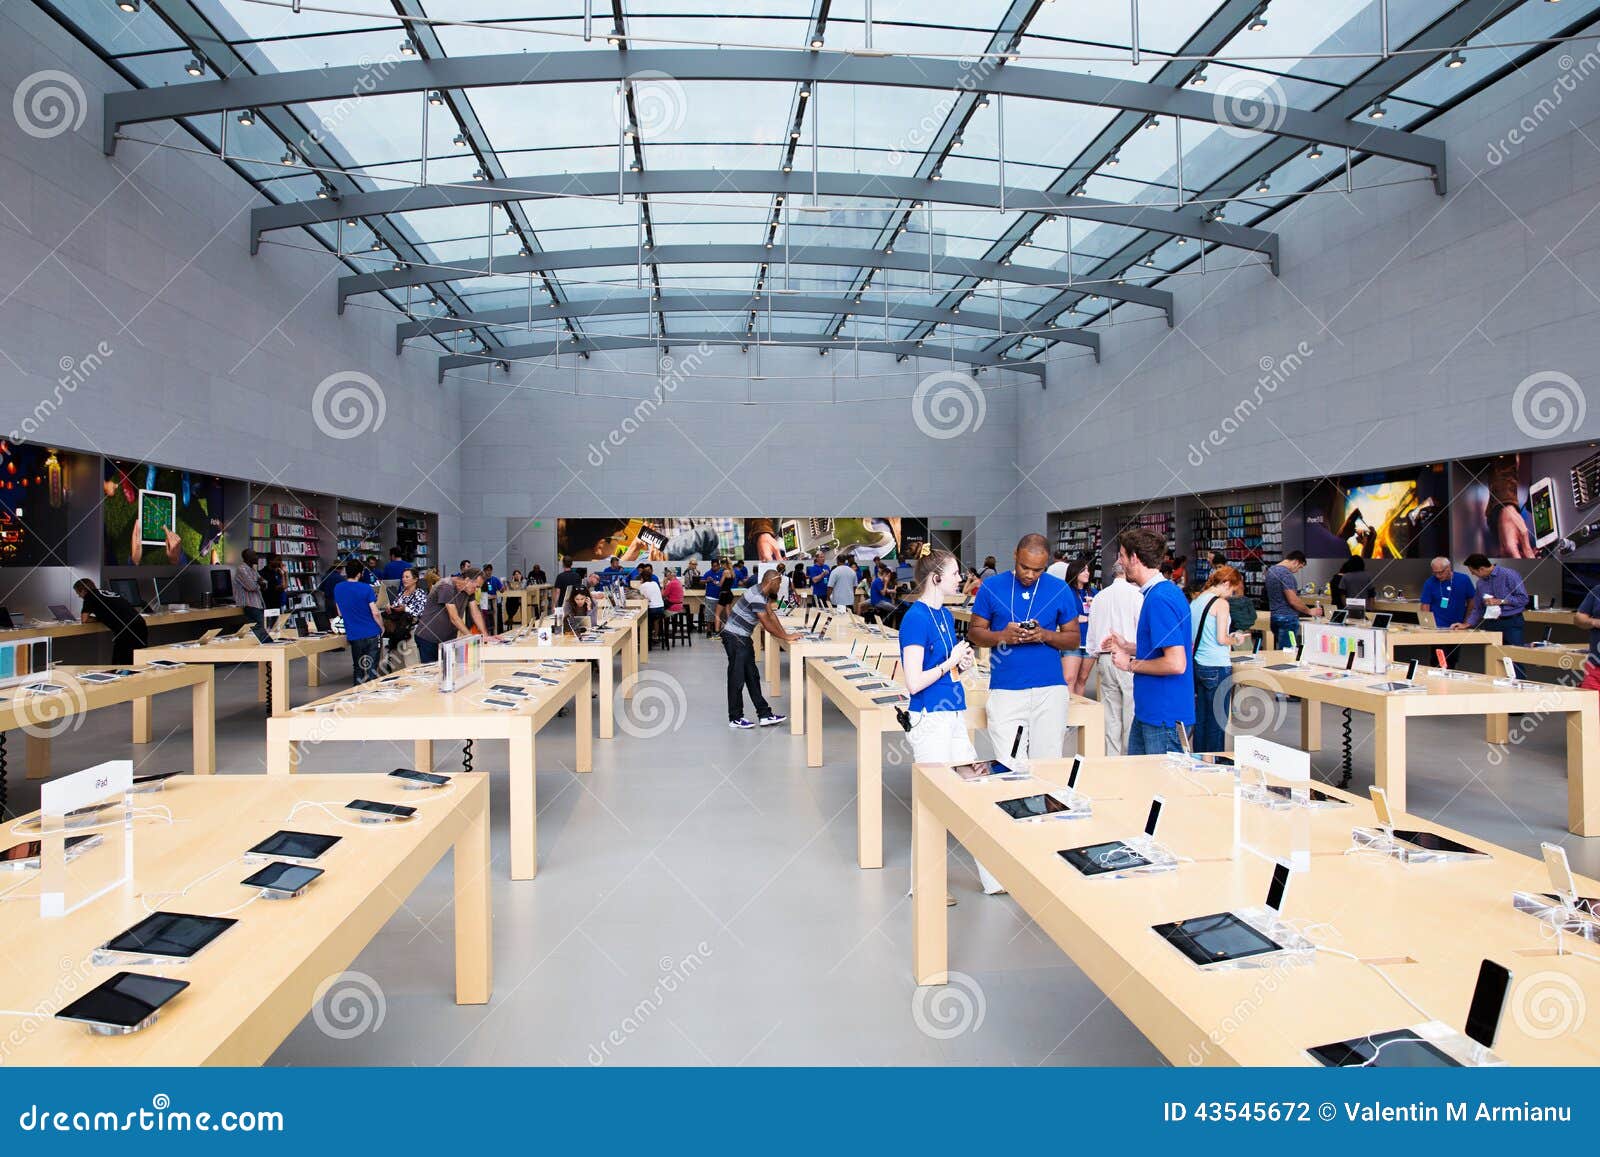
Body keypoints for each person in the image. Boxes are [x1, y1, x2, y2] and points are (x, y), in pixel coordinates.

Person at [898, 549, 977, 908]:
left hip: (953, 712)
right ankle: (924, 883)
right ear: (936, 578)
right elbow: (914, 682)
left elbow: (947, 670)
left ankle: (991, 877)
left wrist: (961, 663)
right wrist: (948, 663)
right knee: (932, 802)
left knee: (973, 789)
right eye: (955, 573)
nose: (960, 578)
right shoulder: (915, 619)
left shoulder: (944, 614)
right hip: (930, 717)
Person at [967, 534, 1080, 774]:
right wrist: (1002, 637)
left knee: (1048, 766)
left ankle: (1044, 811)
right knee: (1009, 766)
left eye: (1037, 570)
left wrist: (1045, 635)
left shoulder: (1059, 589)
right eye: (1024, 567)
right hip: (1006, 690)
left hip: (1050, 691)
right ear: (1015, 556)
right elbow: (975, 632)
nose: (1030, 575)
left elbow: (1073, 638)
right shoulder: (992, 586)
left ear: (1047, 564)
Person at [1106, 528, 1195, 756]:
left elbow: (1176, 663)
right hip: (1153, 711)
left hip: (1163, 715)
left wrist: (1130, 663)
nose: (1120, 562)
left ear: (1135, 558)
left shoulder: (1159, 599)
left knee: (1161, 786)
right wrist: (1129, 646)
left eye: (1122, 556)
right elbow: (1165, 648)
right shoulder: (1163, 593)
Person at [720, 570, 796, 729]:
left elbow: (772, 615)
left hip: (742, 638)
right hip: (735, 637)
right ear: (772, 581)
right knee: (737, 678)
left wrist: (786, 635)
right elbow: (766, 624)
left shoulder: (762, 592)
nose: (780, 586)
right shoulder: (756, 596)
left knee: (752, 677)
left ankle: (765, 714)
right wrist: (785, 637)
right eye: (779, 583)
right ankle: (735, 718)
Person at [1189, 566, 1251, 754]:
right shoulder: (1221, 604)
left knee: (1201, 717)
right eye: (1232, 590)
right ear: (1225, 583)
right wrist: (1236, 639)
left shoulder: (1197, 601)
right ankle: (1216, 760)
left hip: (1199, 664)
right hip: (1217, 665)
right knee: (1217, 720)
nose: (1231, 595)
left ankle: (1200, 759)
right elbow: (1221, 639)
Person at [1085, 559, 1144, 756]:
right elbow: (1142, 629)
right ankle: (1129, 755)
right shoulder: (1137, 595)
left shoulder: (1100, 596)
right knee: (1130, 708)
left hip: (1104, 657)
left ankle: (1112, 755)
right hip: (1129, 657)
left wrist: (1095, 653)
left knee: (1110, 711)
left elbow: (1092, 633)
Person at [1456, 554, 1529, 651]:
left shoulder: (1508, 574)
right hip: (1491, 623)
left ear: (1481, 569)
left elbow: (1523, 599)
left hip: (1511, 622)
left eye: (1473, 572)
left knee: (1515, 656)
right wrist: (1467, 624)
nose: (1473, 574)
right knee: (1494, 656)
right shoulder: (1480, 583)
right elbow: (1478, 608)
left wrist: (1501, 601)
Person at [415, 565, 485, 664]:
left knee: (447, 672)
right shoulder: (446, 586)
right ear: (468, 580)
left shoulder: (469, 590)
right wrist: (472, 638)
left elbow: (476, 613)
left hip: (446, 640)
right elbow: (454, 618)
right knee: (432, 672)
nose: (477, 590)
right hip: (428, 638)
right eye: (476, 586)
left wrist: (485, 635)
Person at [73, 578, 148, 665]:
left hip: (126, 629)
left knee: (122, 662)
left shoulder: (90, 596)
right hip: (140, 624)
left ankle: (122, 677)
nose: (79, 596)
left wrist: (100, 618)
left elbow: (84, 619)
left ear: (83, 591)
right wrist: (104, 617)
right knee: (139, 659)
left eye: (78, 593)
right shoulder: (109, 593)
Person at [334, 559, 384, 684]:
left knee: (358, 667)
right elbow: (375, 612)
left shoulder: (338, 588)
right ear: (360, 574)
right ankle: (373, 695)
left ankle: (357, 695)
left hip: (354, 634)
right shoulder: (366, 588)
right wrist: (382, 627)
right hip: (372, 632)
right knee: (373, 668)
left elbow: (340, 612)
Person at [1265, 550, 1323, 649]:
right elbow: (1292, 600)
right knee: (1288, 651)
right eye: (1299, 567)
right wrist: (1309, 611)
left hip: (1274, 616)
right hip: (1287, 619)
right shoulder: (1286, 574)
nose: (1297, 571)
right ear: (1295, 561)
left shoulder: (1270, 571)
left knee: (1281, 650)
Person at [1061, 558, 1096, 697]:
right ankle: (1068, 712)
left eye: (1088, 570)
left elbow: (1100, 615)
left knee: (1083, 679)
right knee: (1069, 678)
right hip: (1072, 641)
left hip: (1089, 641)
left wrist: (1093, 610)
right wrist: (1080, 618)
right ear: (1075, 572)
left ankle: (1079, 711)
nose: (1087, 573)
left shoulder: (1093, 592)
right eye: (1083, 570)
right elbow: (1066, 616)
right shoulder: (1066, 591)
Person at [1421, 556, 1475, 629]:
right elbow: (1425, 605)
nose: (1438, 576)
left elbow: (1472, 600)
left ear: (1448, 568)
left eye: (1440, 572)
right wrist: (1427, 625)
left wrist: (1467, 621)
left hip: (1459, 624)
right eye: (1435, 573)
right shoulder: (1430, 582)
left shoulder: (1463, 579)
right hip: (1437, 625)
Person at [234, 548, 266, 630]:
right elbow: (251, 586)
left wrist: (260, 583)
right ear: (248, 557)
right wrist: (259, 583)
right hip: (250, 605)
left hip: (258, 604)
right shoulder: (241, 569)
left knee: (261, 629)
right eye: (255, 555)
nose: (257, 557)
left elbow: (265, 583)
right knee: (258, 630)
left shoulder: (253, 570)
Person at [638, 562, 666, 643]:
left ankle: (644, 637)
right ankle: (655, 636)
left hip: (652, 610)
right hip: (660, 608)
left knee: (641, 617)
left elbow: (641, 597)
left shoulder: (643, 586)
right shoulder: (654, 583)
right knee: (656, 620)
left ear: (642, 578)